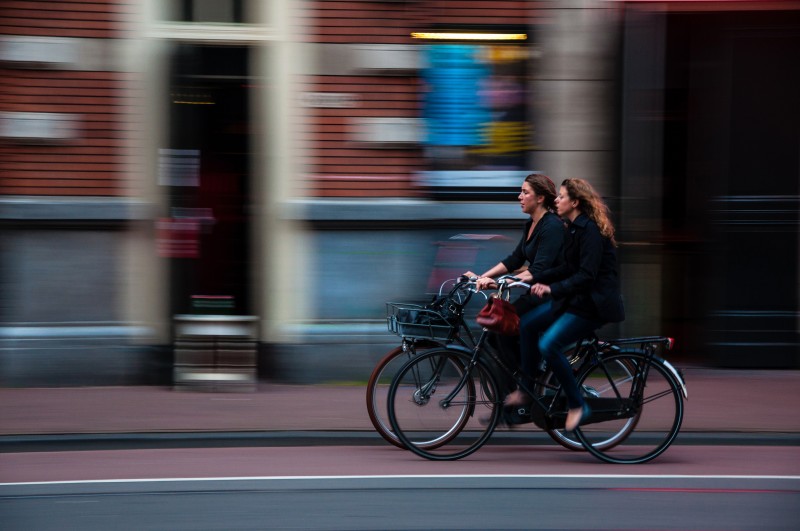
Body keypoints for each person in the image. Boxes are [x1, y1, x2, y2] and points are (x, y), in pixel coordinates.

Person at [505, 178, 625, 432]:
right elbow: (567, 267)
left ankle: (578, 404)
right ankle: (527, 390)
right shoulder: (572, 228)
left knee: (549, 344)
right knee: (526, 325)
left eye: (561, 197)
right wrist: (536, 277)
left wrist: (551, 288)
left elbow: (586, 275)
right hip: (574, 300)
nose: (556, 201)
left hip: (593, 305)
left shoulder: (590, 230)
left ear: (575, 202)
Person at [465, 173, 564, 314]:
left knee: (506, 325)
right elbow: (515, 260)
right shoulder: (531, 224)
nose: (519, 196)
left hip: (552, 295)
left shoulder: (552, 226)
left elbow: (538, 269)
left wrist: (499, 283)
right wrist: (481, 278)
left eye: (525, 192)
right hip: (535, 292)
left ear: (540, 198)